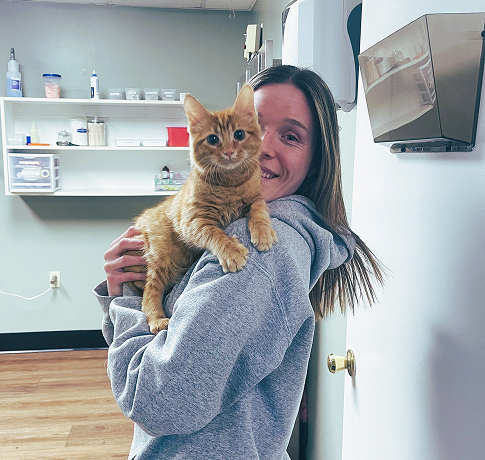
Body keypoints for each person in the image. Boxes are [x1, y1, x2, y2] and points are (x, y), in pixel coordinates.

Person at [94, 65, 383, 460]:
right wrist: (132, 288)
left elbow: (157, 401)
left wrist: (124, 302)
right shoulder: (244, 225)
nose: (261, 146)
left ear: (316, 160)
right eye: (257, 127)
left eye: (291, 136)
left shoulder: (257, 249)